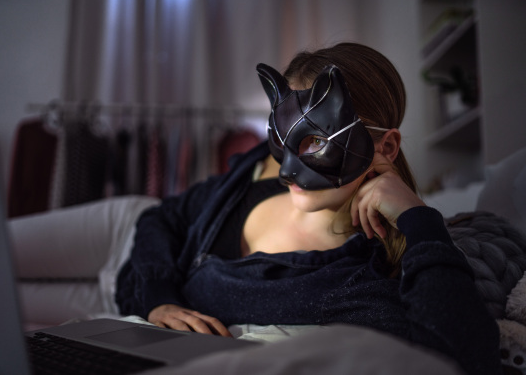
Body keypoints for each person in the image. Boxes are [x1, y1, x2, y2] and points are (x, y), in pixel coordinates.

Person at [115, 42, 501, 375]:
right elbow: (159, 217)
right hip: (124, 233)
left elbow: (459, 362)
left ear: (385, 147)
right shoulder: (251, 179)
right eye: (281, 137)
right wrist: (158, 296)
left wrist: (419, 219)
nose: (287, 168)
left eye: (314, 140)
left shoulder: (357, 281)